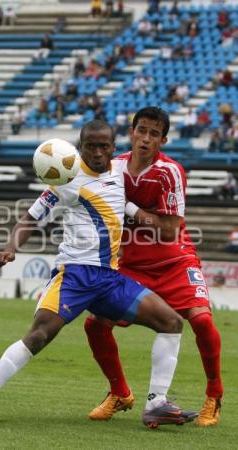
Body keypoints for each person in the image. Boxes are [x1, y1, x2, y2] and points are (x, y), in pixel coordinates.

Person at [0, 120, 192, 427]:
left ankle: (156, 403)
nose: (98, 152)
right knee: (39, 335)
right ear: (80, 148)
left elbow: (142, 184)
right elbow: (29, 219)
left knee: (171, 322)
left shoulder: (121, 173)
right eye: (91, 146)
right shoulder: (66, 179)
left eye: (104, 146)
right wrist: (11, 247)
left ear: (113, 148)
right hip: (74, 276)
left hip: (109, 279)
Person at [84, 108, 223, 427]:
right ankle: (119, 392)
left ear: (164, 139)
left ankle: (214, 394)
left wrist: (128, 207)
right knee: (95, 325)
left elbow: (170, 229)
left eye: (153, 134)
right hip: (132, 264)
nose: (146, 138)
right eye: (141, 131)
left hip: (175, 260)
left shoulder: (170, 172)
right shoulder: (113, 167)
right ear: (131, 132)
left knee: (201, 321)